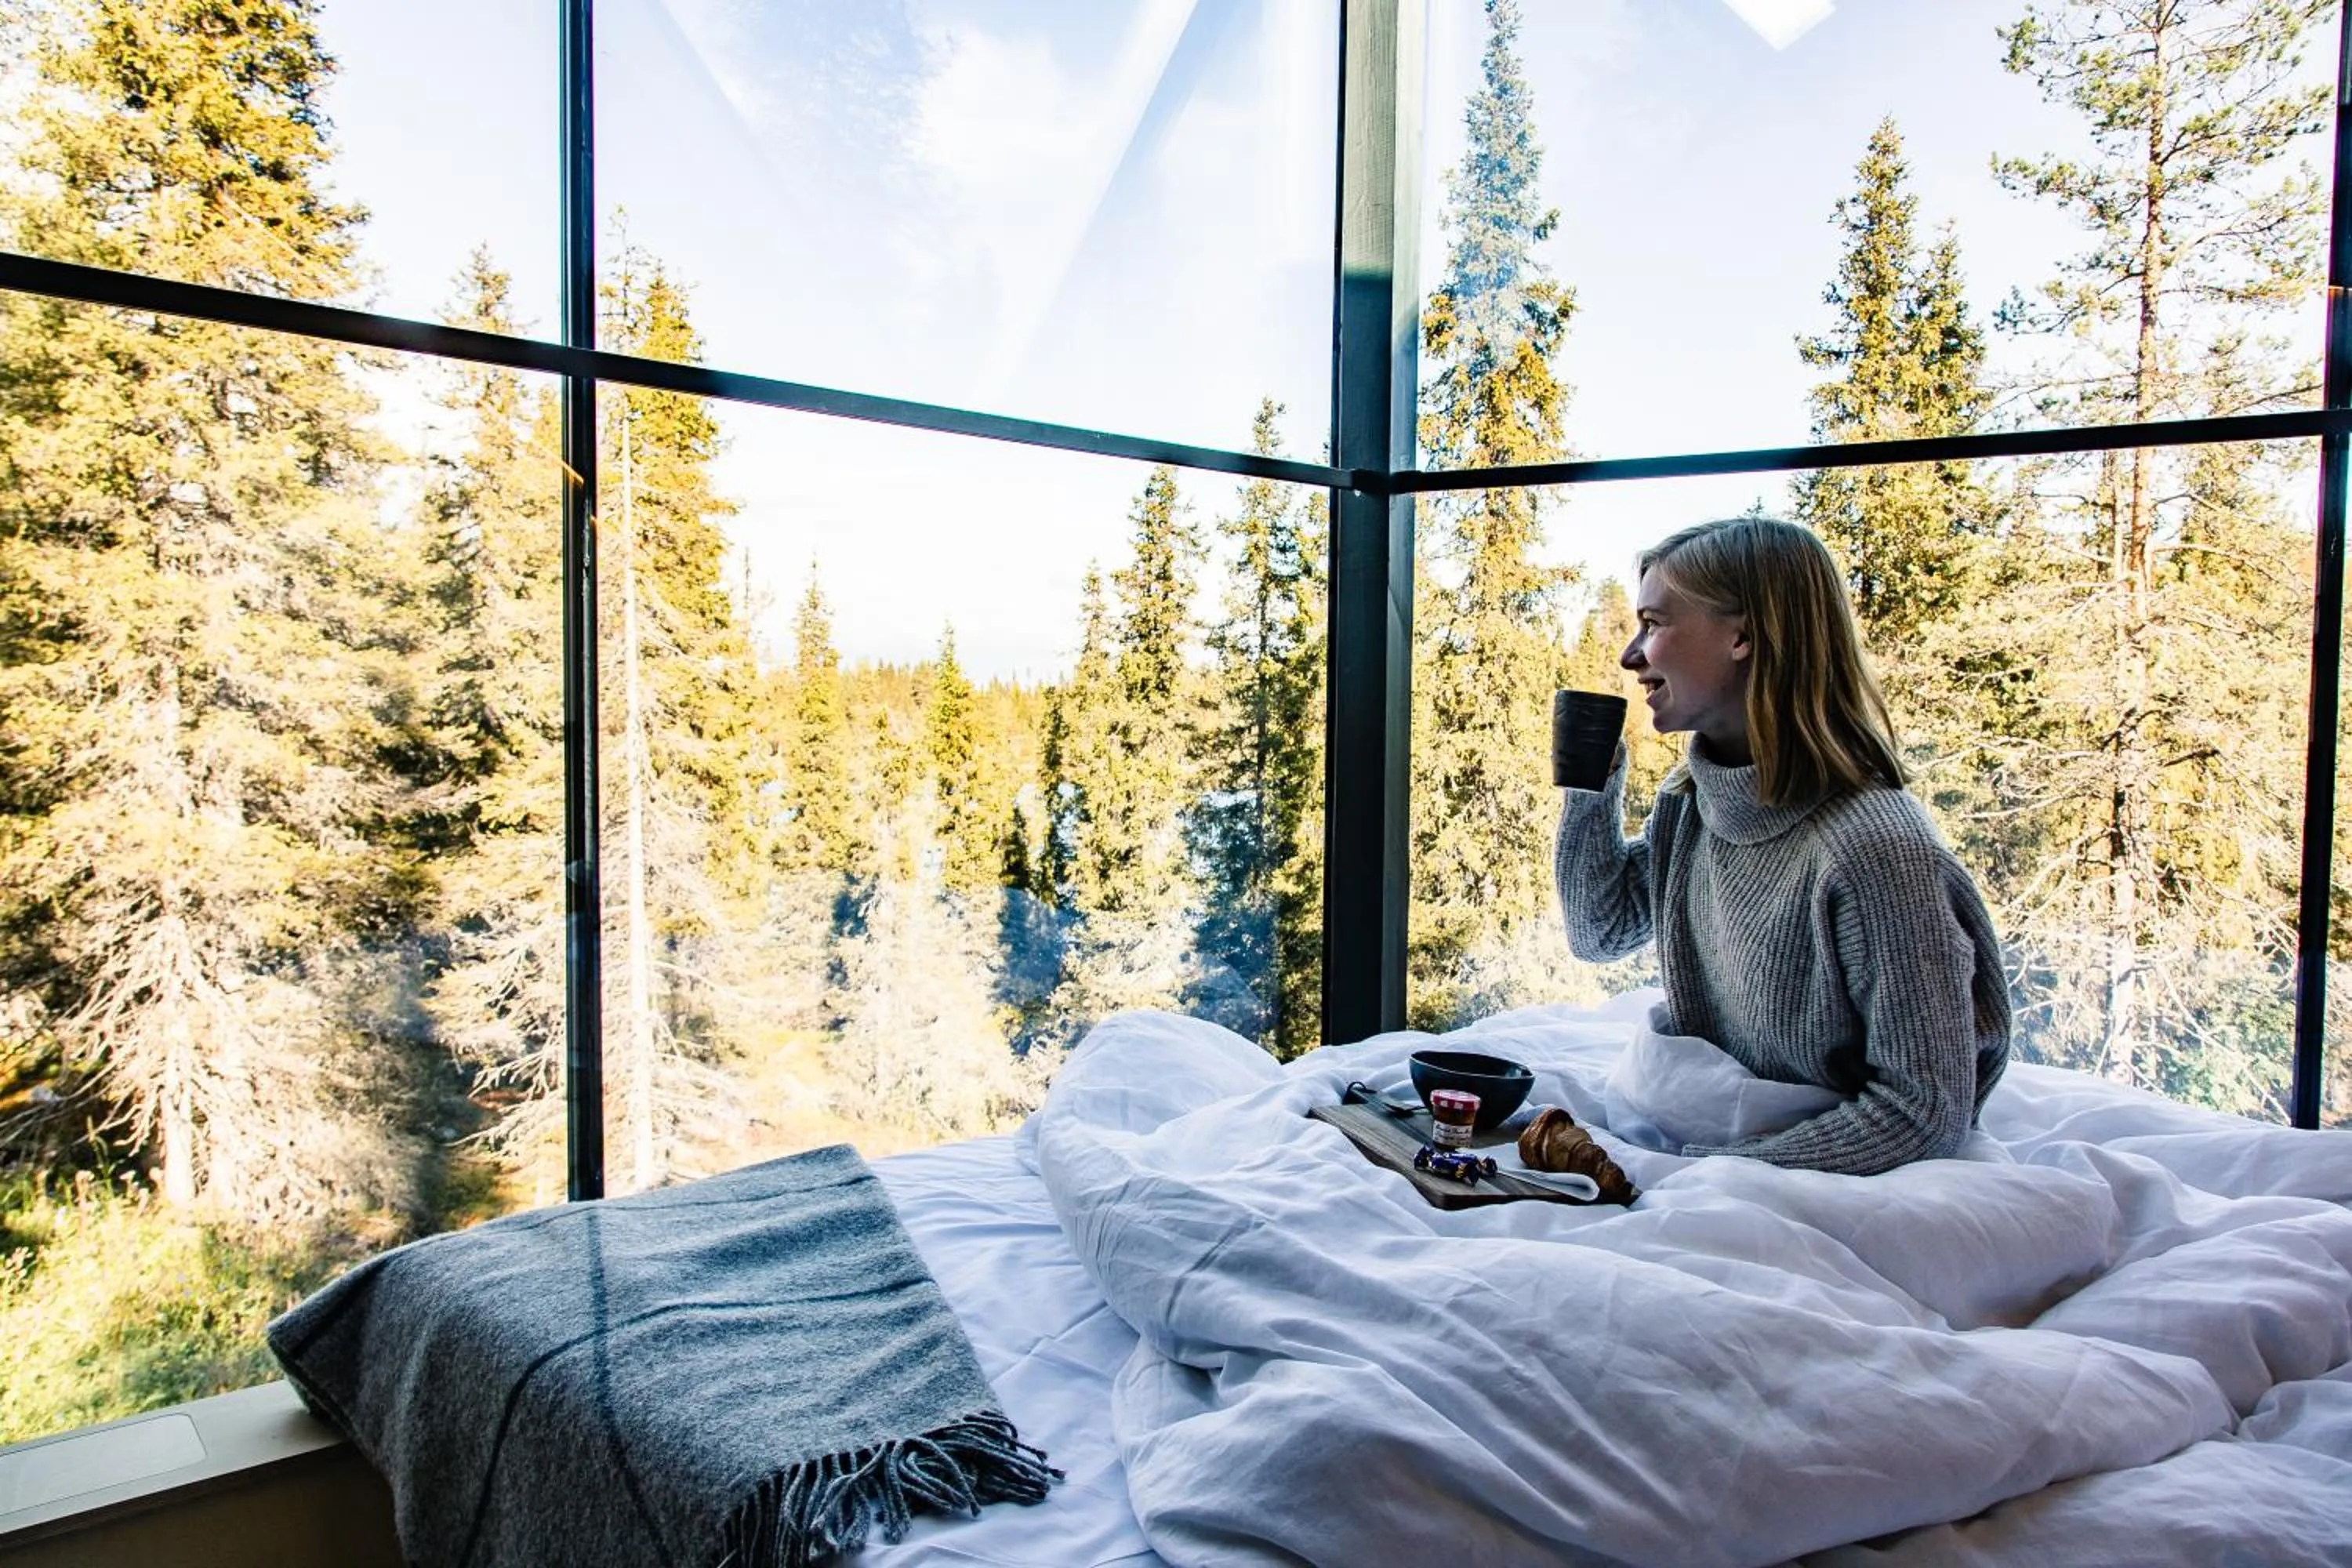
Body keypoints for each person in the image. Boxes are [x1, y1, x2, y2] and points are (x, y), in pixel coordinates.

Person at [1556, 516, 2010, 1174]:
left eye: (1654, 625)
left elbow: (1922, 1112)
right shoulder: (1694, 803)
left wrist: (1707, 1171)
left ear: (1743, 636)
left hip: (1817, 1167)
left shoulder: (1873, 847)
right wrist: (1588, 779)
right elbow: (1600, 933)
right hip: (1714, 1142)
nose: (1631, 656)